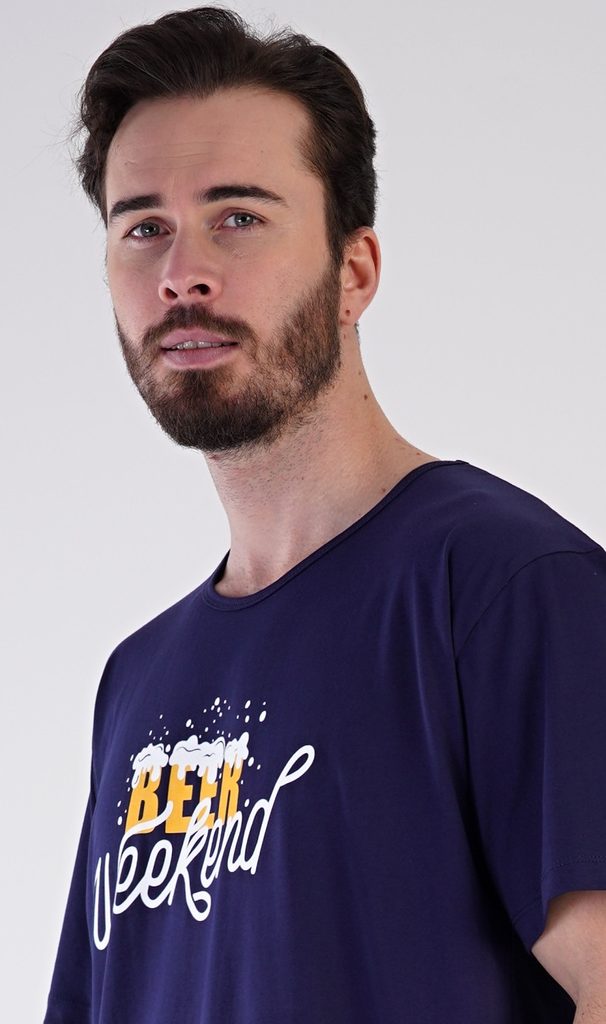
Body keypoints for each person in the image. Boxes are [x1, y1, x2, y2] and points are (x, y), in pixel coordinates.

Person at [44, 7, 606, 1023]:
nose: (181, 273)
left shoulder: (506, 589)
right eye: (143, 227)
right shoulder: (137, 681)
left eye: (238, 217)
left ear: (355, 272)